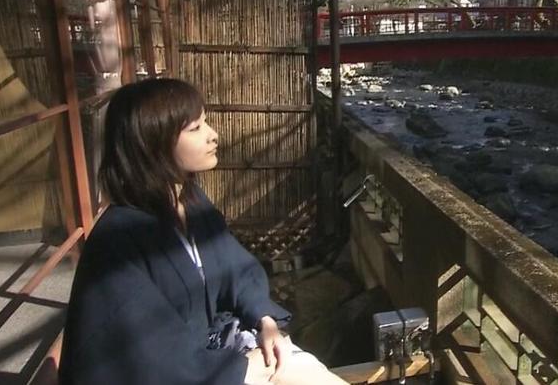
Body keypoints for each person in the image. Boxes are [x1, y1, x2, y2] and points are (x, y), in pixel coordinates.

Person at [59, 78, 346, 385]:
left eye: (205, 123)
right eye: (195, 129)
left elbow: (236, 270)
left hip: (217, 356)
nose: (213, 136)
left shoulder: (194, 206)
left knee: (309, 371)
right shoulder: (117, 241)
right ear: (152, 144)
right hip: (194, 375)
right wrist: (237, 370)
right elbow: (143, 353)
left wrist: (266, 320)